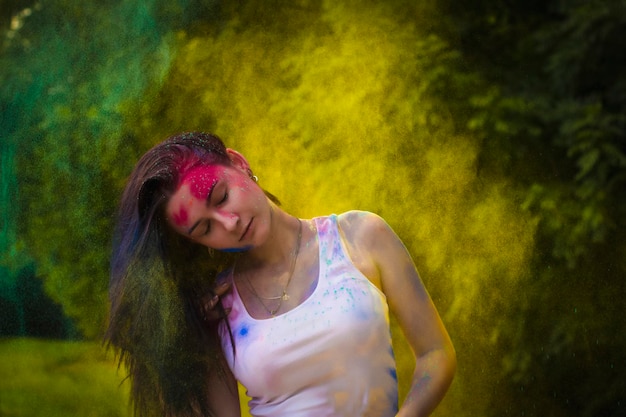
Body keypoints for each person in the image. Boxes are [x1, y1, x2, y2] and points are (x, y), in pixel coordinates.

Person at [105, 131, 456, 417]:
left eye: (222, 196)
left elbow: (436, 353)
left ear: (239, 163)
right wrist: (193, 334)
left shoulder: (359, 236)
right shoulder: (220, 307)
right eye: (204, 228)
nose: (229, 223)